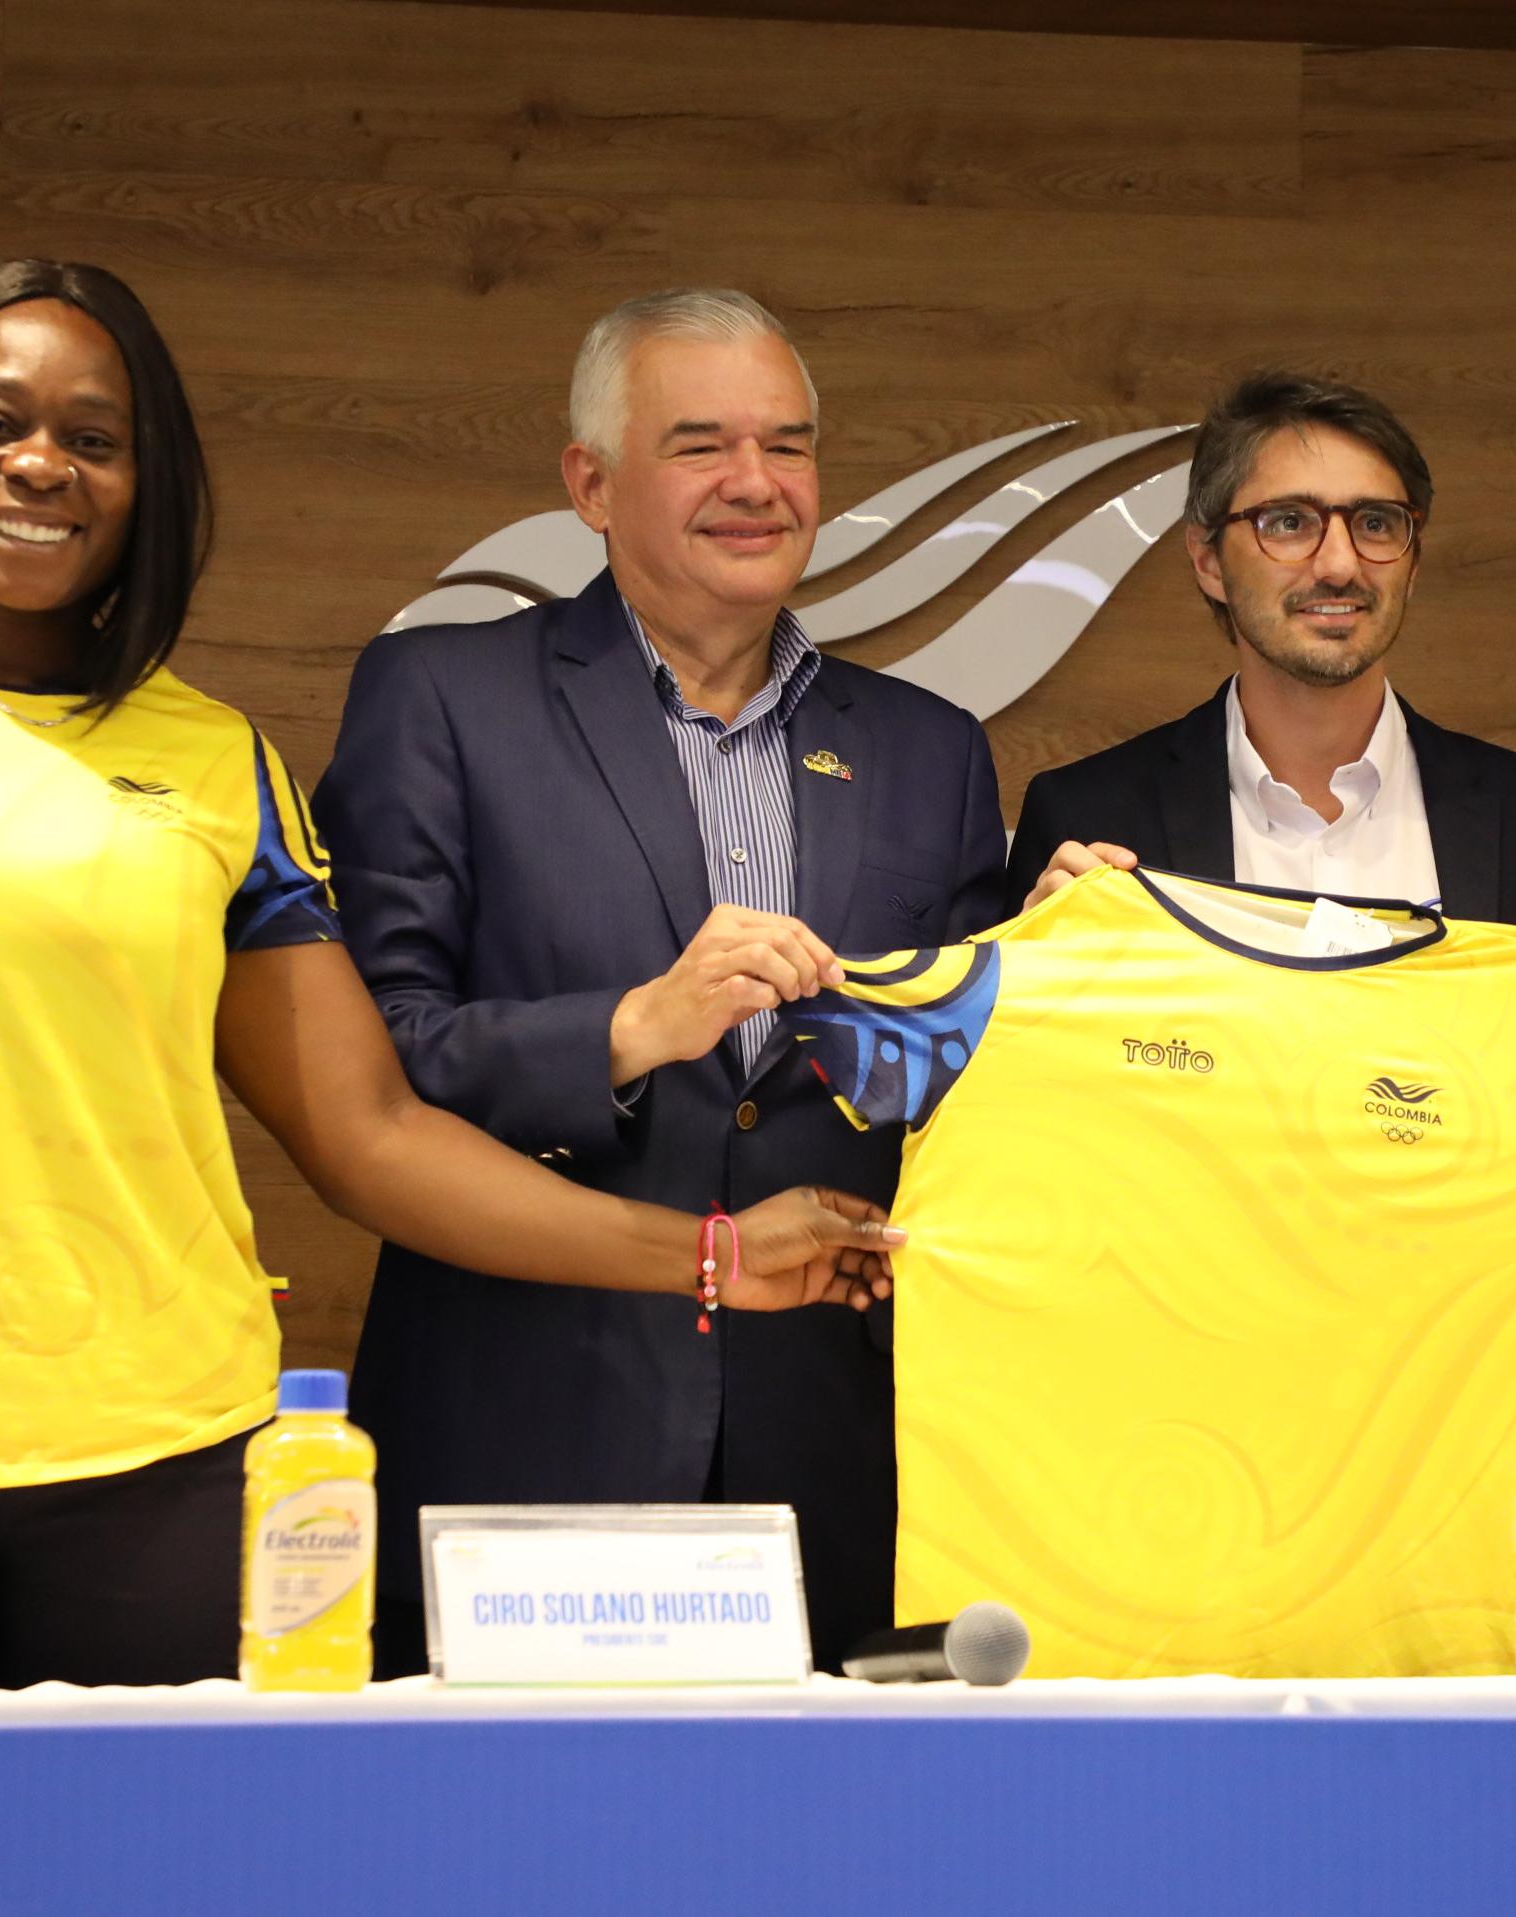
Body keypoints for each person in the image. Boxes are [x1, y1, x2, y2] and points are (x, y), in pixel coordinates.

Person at [0, 261, 896, 1695]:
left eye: (92, 439)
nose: (39, 467)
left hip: (167, 1475)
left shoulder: (219, 764)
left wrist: (707, 1257)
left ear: (147, 484)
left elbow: (368, 1137)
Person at [318, 288, 1007, 1675]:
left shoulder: (930, 751)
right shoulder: (440, 698)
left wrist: (1048, 968)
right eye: (700, 446)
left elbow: (964, 1107)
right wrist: (630, 1029)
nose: (756, 484)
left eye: (789, 446)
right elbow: (371, 1065)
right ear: (590, 482)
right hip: (519, 1436)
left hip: (833, 1460)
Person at [1007, 372, 1516, 1033]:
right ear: (1207, 561)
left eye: (1375, 523)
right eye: (1288, 521)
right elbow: (1027, 1113)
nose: (1338, 563)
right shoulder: (1087, 821)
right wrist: (1019, 997)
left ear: (1413, 562)